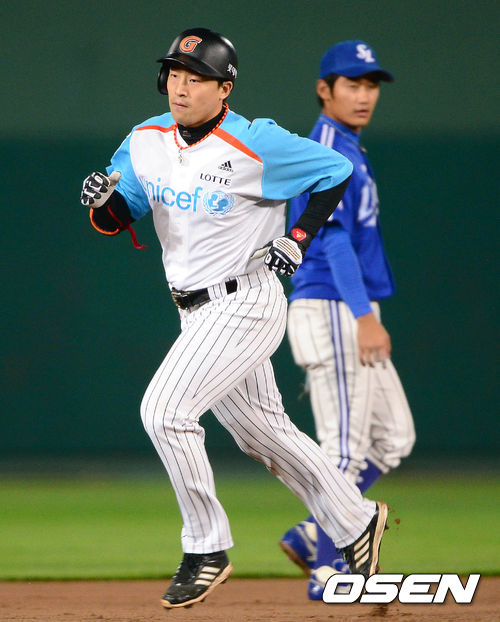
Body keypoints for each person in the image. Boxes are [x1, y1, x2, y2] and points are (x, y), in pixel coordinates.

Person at [80, 28, 389, 609]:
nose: (181, 87)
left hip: (246, 301)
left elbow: (336, 171)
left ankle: (206, 549)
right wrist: (102, 202)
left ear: (224, 89)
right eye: (174, 74)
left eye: (196, 78)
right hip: (193, 311)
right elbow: (121, 215)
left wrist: (299, 236)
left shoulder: (256, 142)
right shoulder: (145, 140)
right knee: (263, 433)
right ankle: (356, 521)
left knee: (164, 411)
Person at [279, 40, 416, 599]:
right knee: (343, 448)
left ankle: (315, 534)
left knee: (393, 436)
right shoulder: (326, 148)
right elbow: (331, 240)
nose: (364, 95)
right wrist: (363, 316)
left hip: (350, 306)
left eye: (371, 85)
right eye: (352, 84)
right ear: (324, 89)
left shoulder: (349, 147)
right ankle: (328, 569)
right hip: (334, 304)